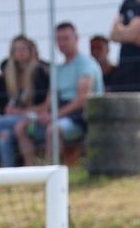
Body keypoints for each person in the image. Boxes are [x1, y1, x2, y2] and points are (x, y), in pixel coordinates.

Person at [21, 22, 102, 163]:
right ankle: (31, 170)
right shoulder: (58, 69)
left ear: (76, 38)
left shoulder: (87, 65)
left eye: (66, 38)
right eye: (58, 39)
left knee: (53, 130)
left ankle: (50, 172)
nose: (62, 43)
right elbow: (50, 98)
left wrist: (53, 116)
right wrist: (43, 114)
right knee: (22, 127)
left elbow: (82, 100)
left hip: (81, 118)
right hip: (59, 115)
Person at [0, 36, 48, 168]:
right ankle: (10, 177)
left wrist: (18, 112)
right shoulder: (14, 75)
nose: (20, 52)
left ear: (31, 50)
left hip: (37, 120)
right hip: (21, 120)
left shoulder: (38, 72)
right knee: (3, 136)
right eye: (16, 49)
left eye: (23, 48)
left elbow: (45, 106)